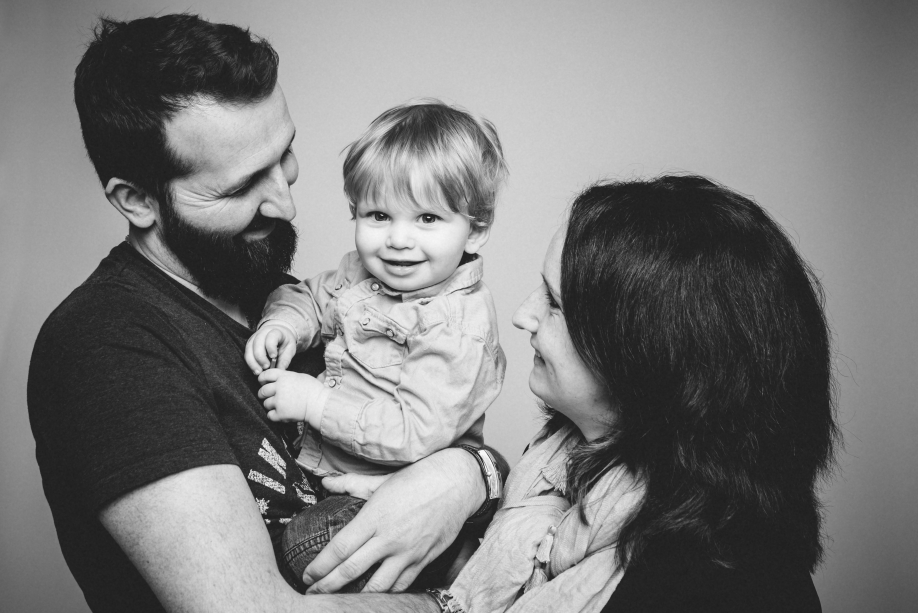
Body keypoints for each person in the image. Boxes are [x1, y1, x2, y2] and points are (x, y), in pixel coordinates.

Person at [27, 14, 500, 613]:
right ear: (137, 200)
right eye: (240, 186)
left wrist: (466, 474)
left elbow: (442, 417)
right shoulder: (107, 348)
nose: (285, 200)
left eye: (286, 155)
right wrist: (465, 603)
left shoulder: (282, 292)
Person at [356, 174, 837, 612]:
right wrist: (472, 473)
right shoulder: (561, 466)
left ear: (643, 359)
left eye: (555, 304)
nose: (523, 315)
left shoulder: (720, 587)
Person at [243, 100, 508, 588]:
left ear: (477, 229)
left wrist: (315, 402)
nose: (398, 240)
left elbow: (416, 432)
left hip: (398, 491)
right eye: (379, 215)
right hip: (333, 480)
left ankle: (460, 571)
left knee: (305, 546)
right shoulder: (360, 276)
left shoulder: (456, 324)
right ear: (355, 213)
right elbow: (306, 295)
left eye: (428, 218)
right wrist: (283, 325)